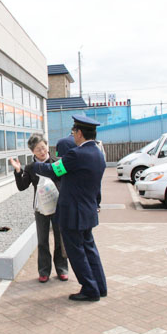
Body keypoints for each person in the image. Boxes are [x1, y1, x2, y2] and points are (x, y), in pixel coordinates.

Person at [33, 115, 106, 302]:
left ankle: (90, 289)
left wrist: (35, 165)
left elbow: (53, 170)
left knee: (77, 253)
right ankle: (100, 286)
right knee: (90, 249)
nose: (73, 135)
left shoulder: (77, 154)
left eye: (74, 132)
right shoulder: (98, 153)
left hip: (73, 214)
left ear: (80, 133)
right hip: (87, 211)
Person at [9, 134, 68, 283]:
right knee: (42, 240)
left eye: (43, 148)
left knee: (59, 238)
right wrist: (18, 171)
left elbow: (65, 182)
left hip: (58, 207)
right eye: (38, 150)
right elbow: (22, 186)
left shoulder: (57, 162)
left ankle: (62, 269)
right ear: (32, 152)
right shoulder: (30, 167)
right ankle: (44, 271)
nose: (42, 152)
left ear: (47, 146)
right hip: (40, 208)